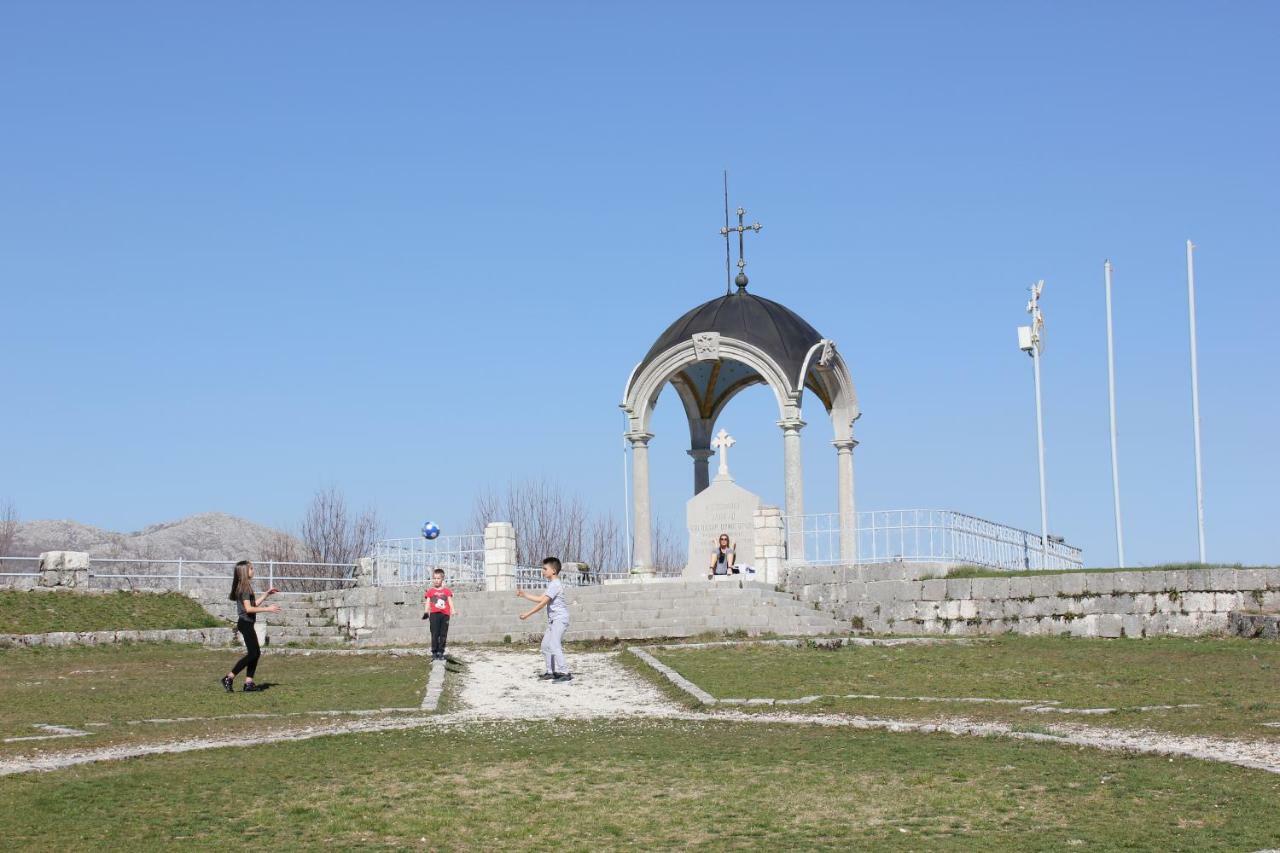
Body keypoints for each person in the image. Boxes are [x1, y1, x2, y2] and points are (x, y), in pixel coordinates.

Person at [221, 560, 280, 693]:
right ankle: (228, 678)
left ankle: (249, 683)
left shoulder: (245, 587)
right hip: (245, 623)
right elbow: (248, 609)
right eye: (251, 568)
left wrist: (265, 594)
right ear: (244, 572)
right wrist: (268, 609)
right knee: (253, 653)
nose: (253, 570)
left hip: (247, 623)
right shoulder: (244, 588)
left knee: (255, 653)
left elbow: (253, 605)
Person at [515, 556, 572, 682]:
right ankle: (550, 672)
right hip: (553, 621)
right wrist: (524, 595)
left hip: (559, 619)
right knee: (546, 645)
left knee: (554, 644)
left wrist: (527, 614)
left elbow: (542, 603)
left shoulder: (555, 584)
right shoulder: (552, 585)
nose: (542, 571)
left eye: (545, 568)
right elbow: (541, 599)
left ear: (553, 571)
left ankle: (565, 672)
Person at [421, 568, 456, 660]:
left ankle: (441, 651)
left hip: (445, 615)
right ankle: (434, 651)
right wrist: (426, 612)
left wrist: (453, 610)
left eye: (438, 578)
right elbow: (428, 602)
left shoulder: (446, 591)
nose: (436, 580)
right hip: (434, 614)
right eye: (434, 578)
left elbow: (449, 600)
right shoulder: (430, 591)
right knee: (435, 633)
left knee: (443, 633)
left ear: (442, 579)